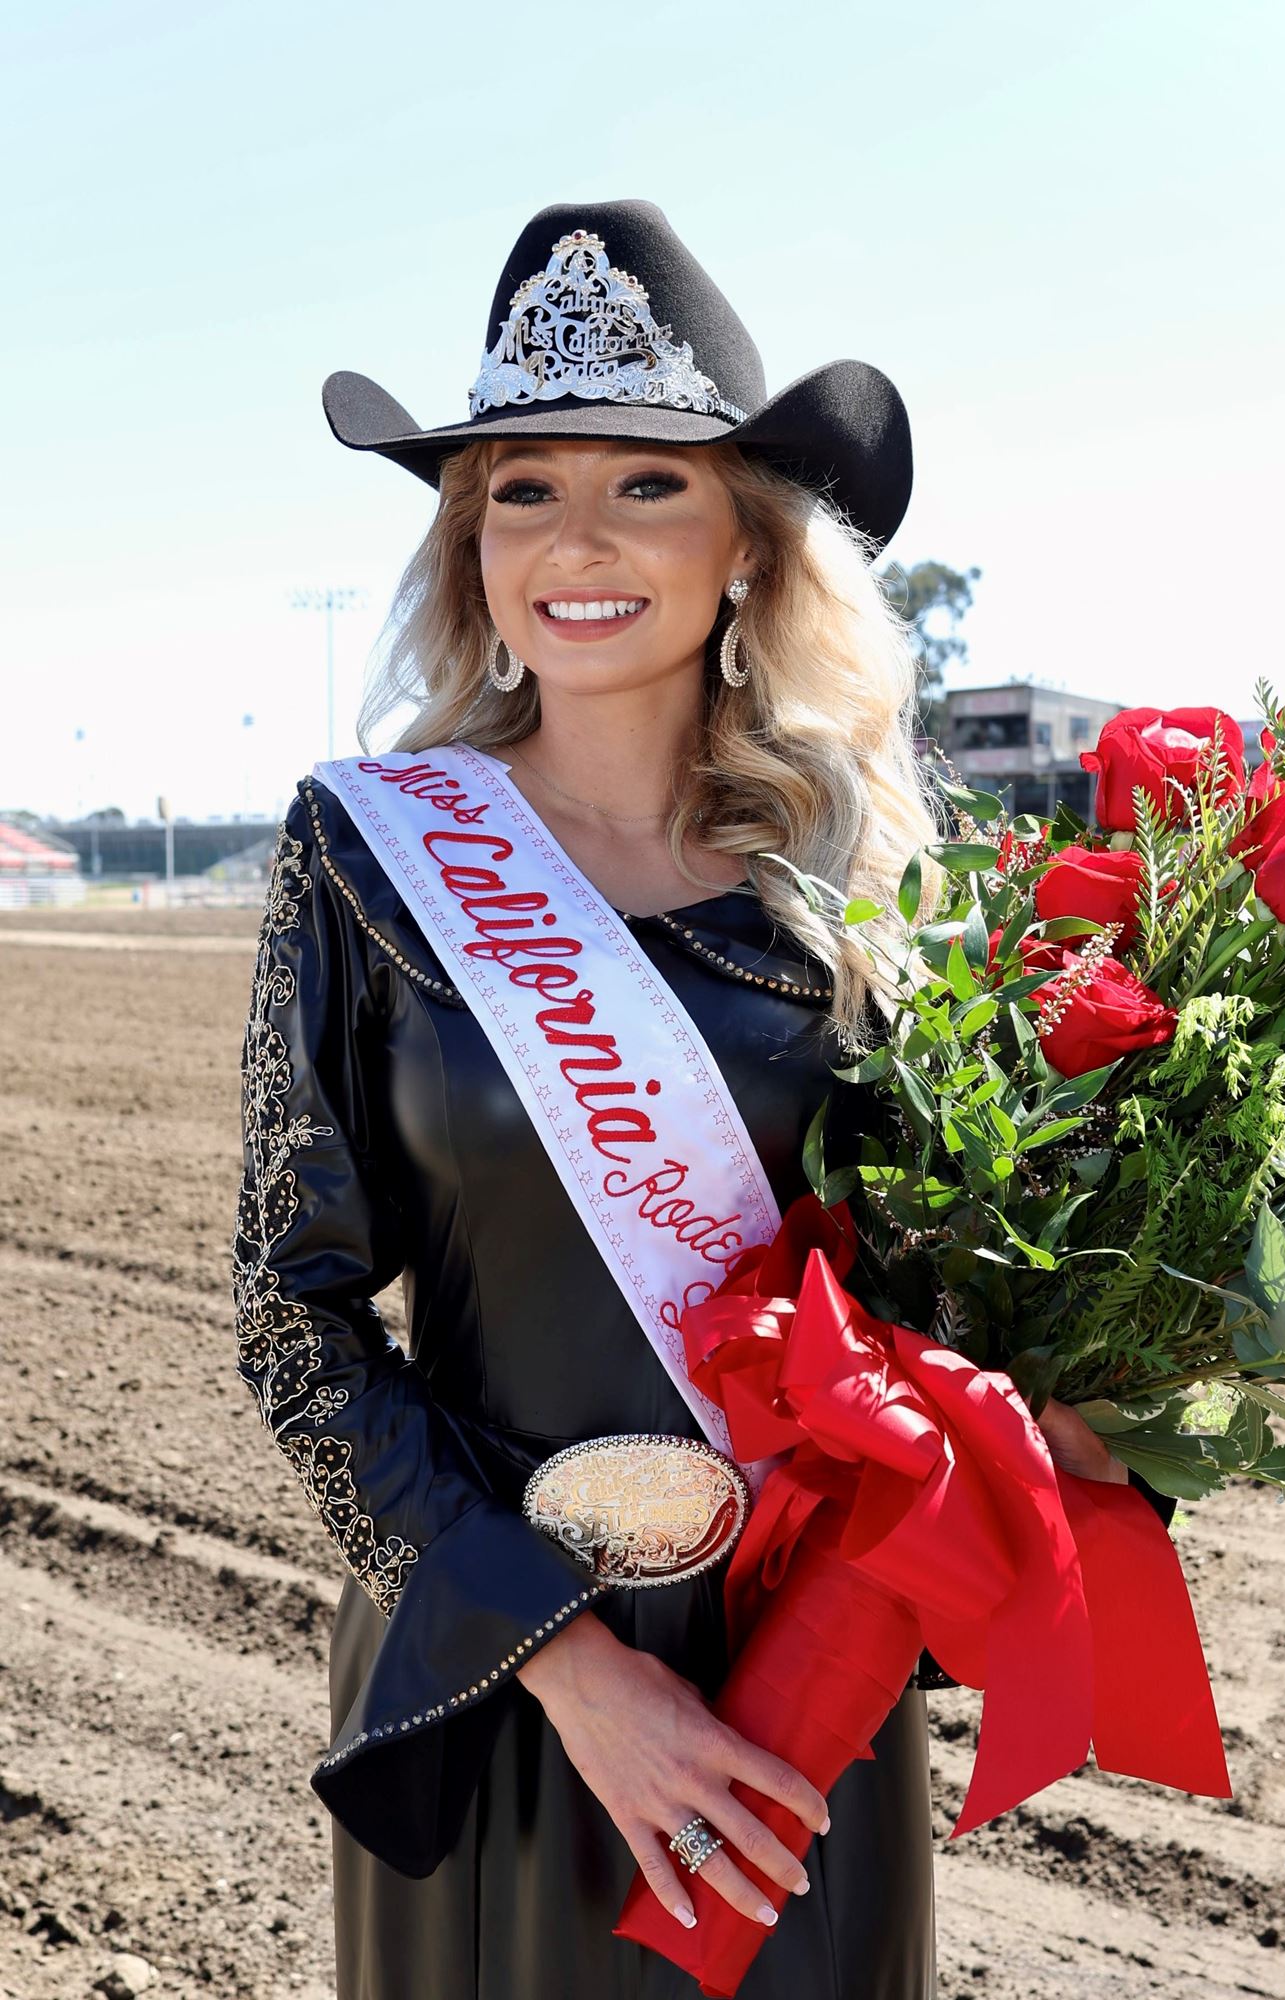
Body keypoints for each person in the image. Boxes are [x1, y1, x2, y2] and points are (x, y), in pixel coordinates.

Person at [231, 199, 1141, 2000]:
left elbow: (956, 1304)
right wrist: (569, 1662)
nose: (577, 537)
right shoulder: (372, 858)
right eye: (520, 488)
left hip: (798, 1658)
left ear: (746, 545)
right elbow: (290, 1320)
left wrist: (1093, 1398)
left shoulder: (862, 898)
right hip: (489, 1649)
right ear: (466, 543)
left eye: (647, 484)